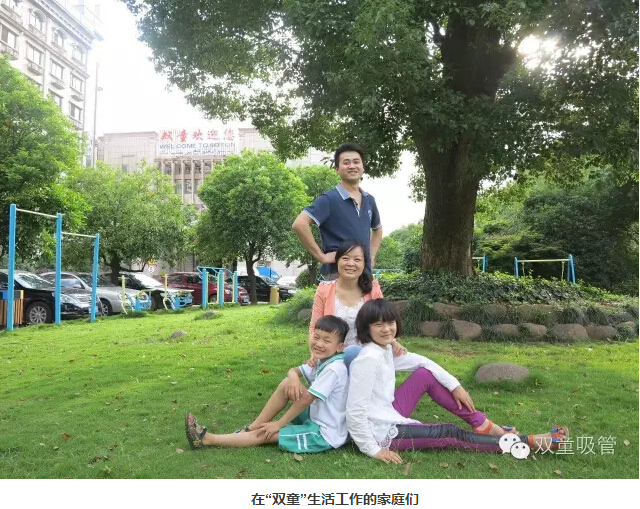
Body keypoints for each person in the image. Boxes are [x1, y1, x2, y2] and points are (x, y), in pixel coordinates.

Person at [293, 239, 511, 437]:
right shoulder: (325, 289)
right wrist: (315, 353)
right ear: (337, 261)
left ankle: (479, 422)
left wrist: (454, 385)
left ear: (365, 263)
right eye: (346, 258)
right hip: (338, 357)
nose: (351, 264)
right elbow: (315, 326)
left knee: (423, 368)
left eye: (357, 259)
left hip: (372, 348)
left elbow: (381, 316)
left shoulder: (371, 287)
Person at [346, 299, 569, 463]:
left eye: (390, 323)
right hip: (380, 431)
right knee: (449, 433)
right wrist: (373, 450)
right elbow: (355, 412)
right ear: (367, 329)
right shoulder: (367, 360)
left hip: (387, 412)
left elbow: (423, 362)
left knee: (424, 375)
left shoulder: (384, 349)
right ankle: (527, 442)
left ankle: (483, 424)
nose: (387, 329)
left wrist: (456, 386)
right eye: (378, 325)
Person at [185, 316, 350, 454]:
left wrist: (279, 424)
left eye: (327, 340)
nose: (319, 344)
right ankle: (253, 426)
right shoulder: (323, 361)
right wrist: (294, 378)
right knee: (287, 383)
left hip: (323, 433)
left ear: (339, 347)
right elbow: (293, 371)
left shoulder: (334, 369)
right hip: (315, 416)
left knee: (267, 433)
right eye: (316, 337)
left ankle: (207, 439)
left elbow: (306, 399)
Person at [292, 142, 382, 279]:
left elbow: (377, 229)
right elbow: (299, 224)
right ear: (337, 169)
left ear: (363, 167)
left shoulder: (369, 200)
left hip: (364, 274)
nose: (352, 166)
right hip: (337, 275)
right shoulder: (328, 199)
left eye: (356, 162)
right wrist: (321, 256)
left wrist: (371, 257)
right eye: (346, 162)